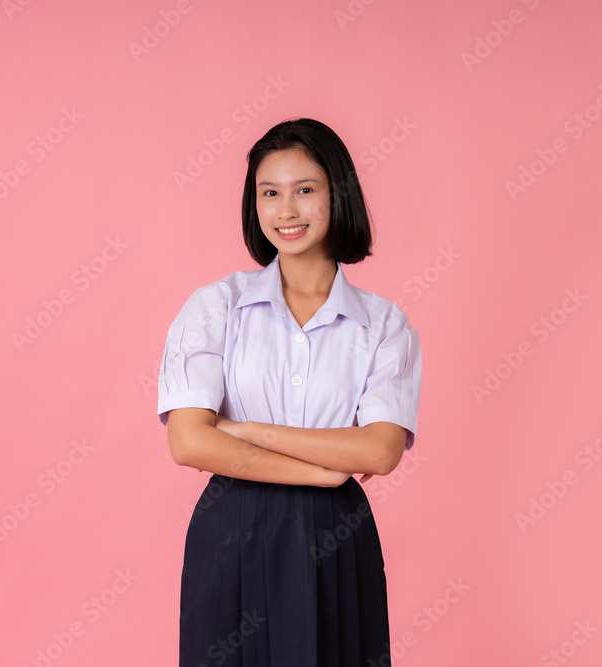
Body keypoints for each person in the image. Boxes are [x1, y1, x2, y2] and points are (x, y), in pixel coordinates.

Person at [157, 117, 422, 666]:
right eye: (269, 193)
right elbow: (189, 444)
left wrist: (247, 430)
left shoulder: (383, 324)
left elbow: (380, 451)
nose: (286, 210)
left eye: (305, 190)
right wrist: (325, 469)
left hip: (337, 534)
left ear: (338, 193)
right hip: (233, 529)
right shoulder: (215, 308)